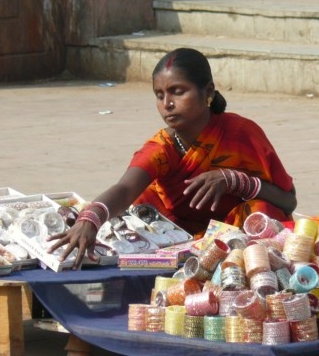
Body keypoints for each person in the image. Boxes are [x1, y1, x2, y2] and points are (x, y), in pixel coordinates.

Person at [48, 47, 297, 268]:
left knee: (262, 211)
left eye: (178, 92)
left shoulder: (241, 134)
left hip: (233, 238)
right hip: (175, 235)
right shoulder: (162, 147)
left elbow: (288, 201)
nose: (167, 104)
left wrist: (234, 181)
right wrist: (90, 219)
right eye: (159, 95)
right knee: (136, 206)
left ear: (207, 91)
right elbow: (125, 189)